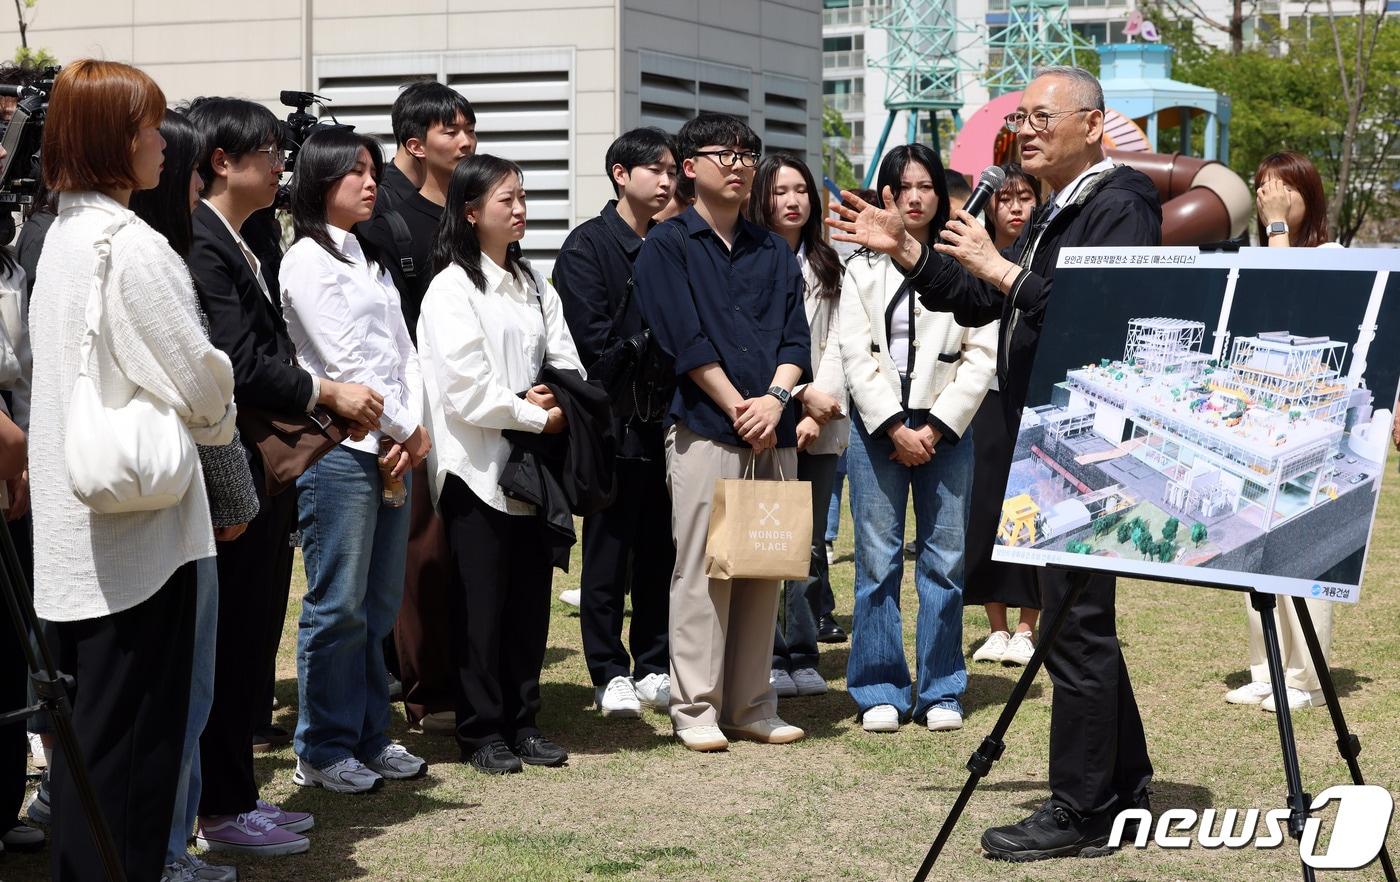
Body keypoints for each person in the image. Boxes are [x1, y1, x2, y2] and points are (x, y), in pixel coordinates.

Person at [829, 65, 1160, 860]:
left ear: (1093, 123)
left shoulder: (1122, 201)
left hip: (1088, 440)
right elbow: (984, 301)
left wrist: (1000, 266)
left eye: (1046, 116)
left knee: (1074, 625)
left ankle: (1081, 811)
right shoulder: (1058, 207)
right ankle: (1124, 780)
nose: (1030, 128)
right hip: (1051, 438)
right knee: (1080, 621)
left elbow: (1100, 311)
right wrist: (909, 253)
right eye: (1022, 116)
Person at [29, 59, 237, 882]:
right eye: (149, 127)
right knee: (138, 763)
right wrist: (217, 421)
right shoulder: (129, 243)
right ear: (116, 139)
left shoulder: (58, 238)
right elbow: (198, 377)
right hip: (143, 542)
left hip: (78, 533)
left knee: (92, 760)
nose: (162, 142)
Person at [187, 96, 373, 856]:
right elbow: (236, 359)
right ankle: (223, 806)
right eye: (265, 151)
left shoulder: (243, 236)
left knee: (255, 631)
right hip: (233, 464)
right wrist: (323, 391)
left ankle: (237, 794)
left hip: (261, 471)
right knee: (234, 640)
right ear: (222, 161)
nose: (279, 162)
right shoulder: (203, 242)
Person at [634, 112, 811, 752]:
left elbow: (797, 337)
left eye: (747, 152)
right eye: (724, 153)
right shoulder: (668, 243)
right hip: (708, 427)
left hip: (773, 426)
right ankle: (697, 706)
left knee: (765, 564)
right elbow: (684, 340)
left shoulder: (772, 248)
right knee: (703, 570)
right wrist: (743, 405)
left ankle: (752, 703)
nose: (738, 163)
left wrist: (775, 399)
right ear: (690, 167)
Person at [418, 154, 583, 775]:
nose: (519, 210)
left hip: (532, 469)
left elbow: (567, 361)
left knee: (528, 604)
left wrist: (554, 398)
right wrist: (536, 410)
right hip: (477, 470)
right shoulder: (450, 288)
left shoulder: (534, 281)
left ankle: (524, 721)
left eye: (522, 198)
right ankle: (480, 730)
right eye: (506, 200)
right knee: (479, 607)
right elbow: (466, 390)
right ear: (470, 211)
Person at [280, 127, 432, 793]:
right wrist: (407, 428)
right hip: (340, 451)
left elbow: (404, 350)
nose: (370, 183)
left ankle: (370, 736)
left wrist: (414, 427)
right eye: (355, 172)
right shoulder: (305, 261)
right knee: (336, 605)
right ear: (319, 181)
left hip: (391, 448)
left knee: (375, 606)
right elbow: (342, 364)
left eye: (372, 170)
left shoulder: (365, 257)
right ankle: (321, 746)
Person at [128, 107, 256, 882]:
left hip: (176, 494)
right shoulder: (154, 258)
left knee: (193, 683)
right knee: (179, 686)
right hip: (168, 497)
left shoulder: (156, 250)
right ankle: (169, 848)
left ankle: (177, 838)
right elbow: (208, 387)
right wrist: (237, 496)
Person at [835, 144, 995, 734]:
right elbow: (855, 352)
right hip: (878, 429)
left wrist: (936, 425)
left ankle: (942, 688)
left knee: (944, 562)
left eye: (927, 185)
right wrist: (893, 426)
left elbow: (983, 355)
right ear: (886, 196)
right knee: (876, 561)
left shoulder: (967, 260)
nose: (916, 197)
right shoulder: (860, 265)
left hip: (946, 430)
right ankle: (879, 686)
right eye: (904, 187)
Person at [360, 81, 476, 736]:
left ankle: (453, 673)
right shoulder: (390, 221)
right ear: (414, 142)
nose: (465, 141)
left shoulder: (468, 210)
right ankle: (422, 687)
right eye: (451, 130)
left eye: (469, 129)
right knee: (419, 550)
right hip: (413, 407)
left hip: (471, 403)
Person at [554, 127, 678, 718]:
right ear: (620, 175)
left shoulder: (671, 241)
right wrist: (649, 342)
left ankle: (654, 662)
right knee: (608, 552)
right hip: (611, 423)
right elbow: (590, 345)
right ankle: (608, 671)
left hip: (667, 422)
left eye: (672, 170)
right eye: (656, 169)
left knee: (660, 550)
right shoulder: (587, 247)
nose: (667, 179)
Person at [1223, 150, 1337, 712]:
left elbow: (1294, 296)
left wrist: (1275, 232)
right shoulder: (1255, 255)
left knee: (1303, 548)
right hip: (1258, 418)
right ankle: (1266, 666)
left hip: (1310, 422)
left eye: (1281, 187)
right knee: (1255, 545)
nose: (1268, 194)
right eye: (1261, 185)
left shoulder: (1334, 255)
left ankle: (1303, 676)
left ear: (1306, 195)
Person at [745, 153, 848, 699]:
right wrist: (798, 397)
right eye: (780, 190)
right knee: (765, 538)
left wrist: (817, 408)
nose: (792, 200)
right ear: (762, 197)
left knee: (808, 546)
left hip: (822, 425)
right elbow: (757, 346)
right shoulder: (750, 259)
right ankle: (766, 651)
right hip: (767, 418)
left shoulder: (832, 264)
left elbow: (843, 344)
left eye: (802, 190)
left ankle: (803, 652)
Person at [967, 163, 1043, 667]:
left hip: (1032, 395)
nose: (1015, 208)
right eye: (1005, 199)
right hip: (983, 397)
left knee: (1032, 510)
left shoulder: (1043, 257)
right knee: (985, 510)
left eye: (1025, 198)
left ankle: (1028, 625)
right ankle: (995, 626)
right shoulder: (974, 258)